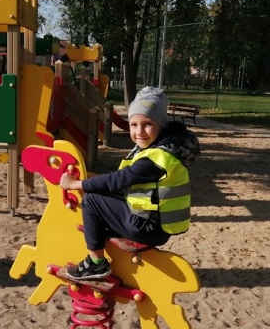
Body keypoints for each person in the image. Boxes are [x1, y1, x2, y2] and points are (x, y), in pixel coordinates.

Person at [59, 86, 200, 280]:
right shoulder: (167, 149)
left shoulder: (156, 159)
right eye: (134, 125)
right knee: (102, 195)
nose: (139, 132)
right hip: (155, 223)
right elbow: (125, 180)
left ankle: (96, 263)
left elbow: (118, 180)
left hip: (147, 228)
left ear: (161, 125)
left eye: (147, 124)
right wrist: (92, 179)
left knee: (91, 200)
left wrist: (75, 185)